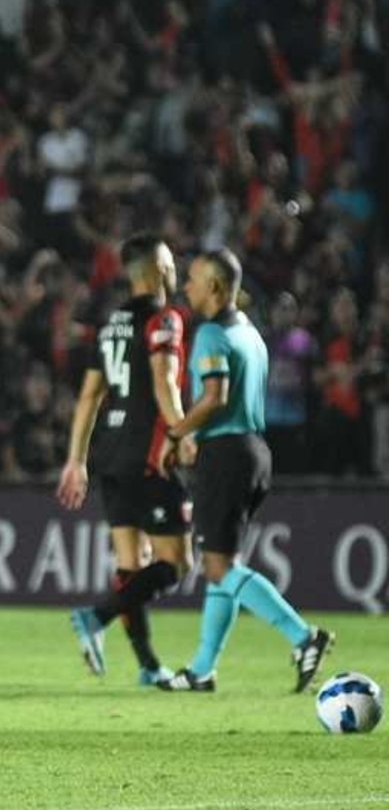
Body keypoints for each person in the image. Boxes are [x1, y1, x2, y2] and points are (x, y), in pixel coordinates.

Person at [157, 249, 335, 693]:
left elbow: (215, 396)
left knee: (219, 568)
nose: (186, 287)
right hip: (255, 450)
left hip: (227, 455)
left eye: (194, 280)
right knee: (223, 563)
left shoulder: (213, 334)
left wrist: (177, 432)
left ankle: (302, 635)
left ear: (215, 287)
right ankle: (201, 669)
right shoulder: (251, 334)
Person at [56, 234, 192, 686]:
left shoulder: (111, 324)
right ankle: (96, 616)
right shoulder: (164, 319)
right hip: (148, 454)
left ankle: (149, 667)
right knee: (176, 562)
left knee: (131, 567)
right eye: (169, 264)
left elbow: (90, 396)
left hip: (110, 455)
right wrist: (182, 430)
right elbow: (163, 382)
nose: (175, 273)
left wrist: (76, 459)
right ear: (154, 271)